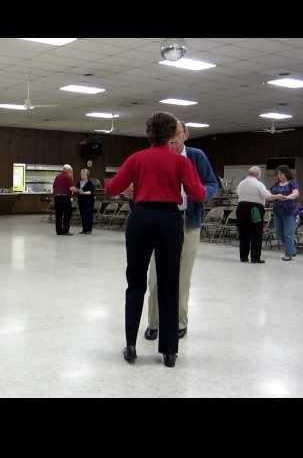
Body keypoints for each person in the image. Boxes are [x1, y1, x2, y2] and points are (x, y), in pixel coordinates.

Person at [105, 112, 205, 368]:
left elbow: (110, 189)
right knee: (169, 283)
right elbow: (198, 193)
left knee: (136, 281)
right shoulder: (180, 162)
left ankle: (130, 345)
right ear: (172, 134)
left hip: (141, 219)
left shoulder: (136, 158)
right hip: (170, 221)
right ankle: (169, 351)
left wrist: (133, 186)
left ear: (149, 133)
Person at [145, 121, 220, 341]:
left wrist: (198, 192)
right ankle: (154, 323)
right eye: (169, 132)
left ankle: (179, 321)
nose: (174, 137)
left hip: (188, 223)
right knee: (156, 277)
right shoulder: (156, 155)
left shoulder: (196, 156)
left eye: (177, 132)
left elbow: (211, 184)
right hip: (160, 222)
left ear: (186, 134)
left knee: (182, 277)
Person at [235, 166, 282, 265]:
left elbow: (238, 193)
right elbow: (267, 196)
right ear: (257, 174)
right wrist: (278, 196)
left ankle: (243, 257)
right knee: (256, 233)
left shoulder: (241, 183)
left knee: (244, 233)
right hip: (254, 209)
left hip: (241, 208)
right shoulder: (258, 184)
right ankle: (255, 257)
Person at [271, 164, 300, 261]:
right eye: (277, 174)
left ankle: (288, 254)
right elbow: (270, 195)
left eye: (280, 174)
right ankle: (292, 250)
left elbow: (296, 193)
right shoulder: (275, 185)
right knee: (279, 233)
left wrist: (287, 197)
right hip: (277, 212)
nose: (278, 176)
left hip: (289, 212)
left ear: (286, 174)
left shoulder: (292, 183)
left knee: (287, 233)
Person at [53, 164, 77, 236]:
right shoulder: (68, 177)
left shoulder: (57, 177)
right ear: (68, 170)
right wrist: (79, 190)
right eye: (71, 171)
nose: (71, 173)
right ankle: (65, 231)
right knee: (67, 214)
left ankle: (59, 231)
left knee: (58, 214)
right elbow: (72, 188)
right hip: (65, 198)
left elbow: (54, 187)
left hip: (57, 198)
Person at [76, 168, 96, 234]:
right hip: (81, 201)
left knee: (88, 215)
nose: (82, 176)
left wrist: (83, 192)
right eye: (81, 174)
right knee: (82, 215)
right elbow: (76, 190)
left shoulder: (90, 183)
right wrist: (77, 191)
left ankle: (89, 230)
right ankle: (84, 229)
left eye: (83, 174)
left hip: (88, 202)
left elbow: (90, 192)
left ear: (87, 175)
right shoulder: (78, 182)